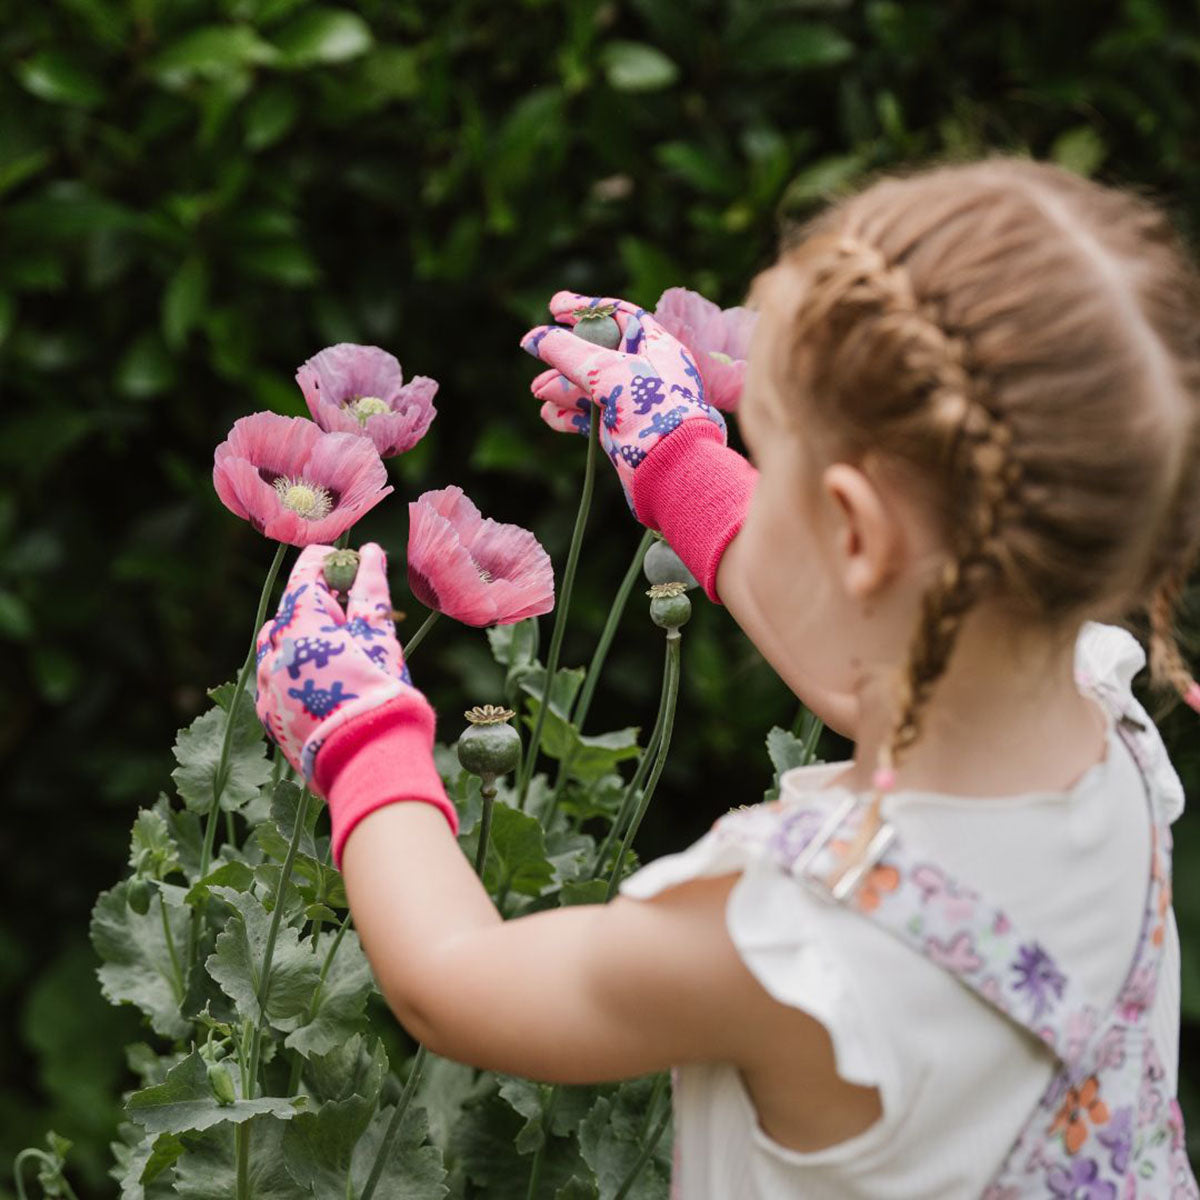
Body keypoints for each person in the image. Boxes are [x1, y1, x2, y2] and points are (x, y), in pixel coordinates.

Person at [254, 157, 1200, 1197]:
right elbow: (871, 663)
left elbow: (453, 983)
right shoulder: (1103, 724)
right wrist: (679, 455)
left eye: (772, 454)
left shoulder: (794, 938)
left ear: (854, 531)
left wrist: (361, 737)